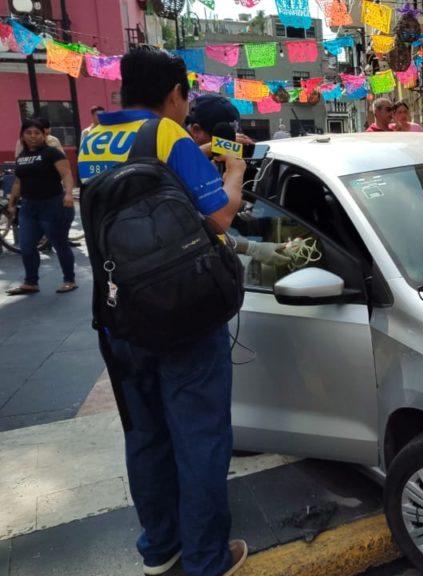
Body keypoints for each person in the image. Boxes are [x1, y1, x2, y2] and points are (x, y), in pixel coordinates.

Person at [77, 46, 247, 576]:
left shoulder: (91, 139)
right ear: (175, 93)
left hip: (120, 314)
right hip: (182, 316)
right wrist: (236, 171)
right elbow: (219, 216)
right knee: (200, 438)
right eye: (184, 96)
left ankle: (160, 547)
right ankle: (206, 559)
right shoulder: (168, 135)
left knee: (145, 434)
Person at [186, 94, 288, 266]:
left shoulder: (214, 159)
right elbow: (204, 229)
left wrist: (244, 206)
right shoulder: (174, 153)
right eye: (223, 140)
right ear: (196, 131)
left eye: (232, 137)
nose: (229, 147)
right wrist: (251, 248)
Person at [4, 118, 77, 295]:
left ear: (43, 135)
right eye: (28, 133)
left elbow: (66, 174)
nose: (33, 136)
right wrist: (12, 203)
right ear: (22, 135)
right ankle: (31, 283)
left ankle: (69, 280)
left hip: (52, 205)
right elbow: (18, 182)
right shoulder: (22, 157)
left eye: (37, 133)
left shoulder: (52, 153)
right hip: (29, 207)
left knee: (60, 244)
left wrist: (68, 193)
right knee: (27, 246)